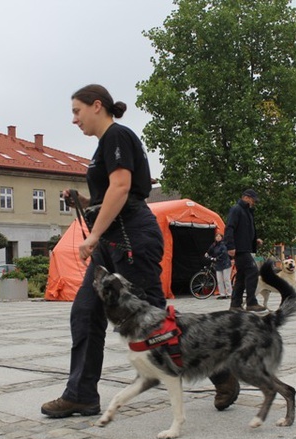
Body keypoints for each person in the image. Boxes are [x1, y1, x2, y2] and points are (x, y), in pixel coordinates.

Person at [41, 84, 241, 417]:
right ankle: (81, 394)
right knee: (85, 313)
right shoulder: (104, 145)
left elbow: (123, 189)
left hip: (133, 238)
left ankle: (221, 372)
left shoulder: (118, 136)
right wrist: (85, 202)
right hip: (113, 241)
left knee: (157, 323)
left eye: (77, 111)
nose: (74, 119)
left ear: (96, 106)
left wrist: (92, 236)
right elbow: (114, 193)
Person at [224, 189, 265, 313]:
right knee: (252, 271)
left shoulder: (247, 211)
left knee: (241, 276)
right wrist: (230, 246)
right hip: (240, 249)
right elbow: (229, 228)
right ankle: (251, 302)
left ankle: (235, 304)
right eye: (252, 200)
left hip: (245, 247)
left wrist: (254, 240)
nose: (253, 202)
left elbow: (245, 230)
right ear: (246, 197)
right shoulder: (237, 209)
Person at [205, 233, 232, 299]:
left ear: (221, 237)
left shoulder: (223, 244)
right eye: (216, 236)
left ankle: (229, 294)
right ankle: (222, 294)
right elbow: (210, 250)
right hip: (218, 264)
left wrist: (216, 258)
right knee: (219, 280)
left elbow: (224, 254)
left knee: (226, 279)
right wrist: (207, 253)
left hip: (225, 264)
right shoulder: (214, 245)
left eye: (219, 236)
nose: (218, 237)